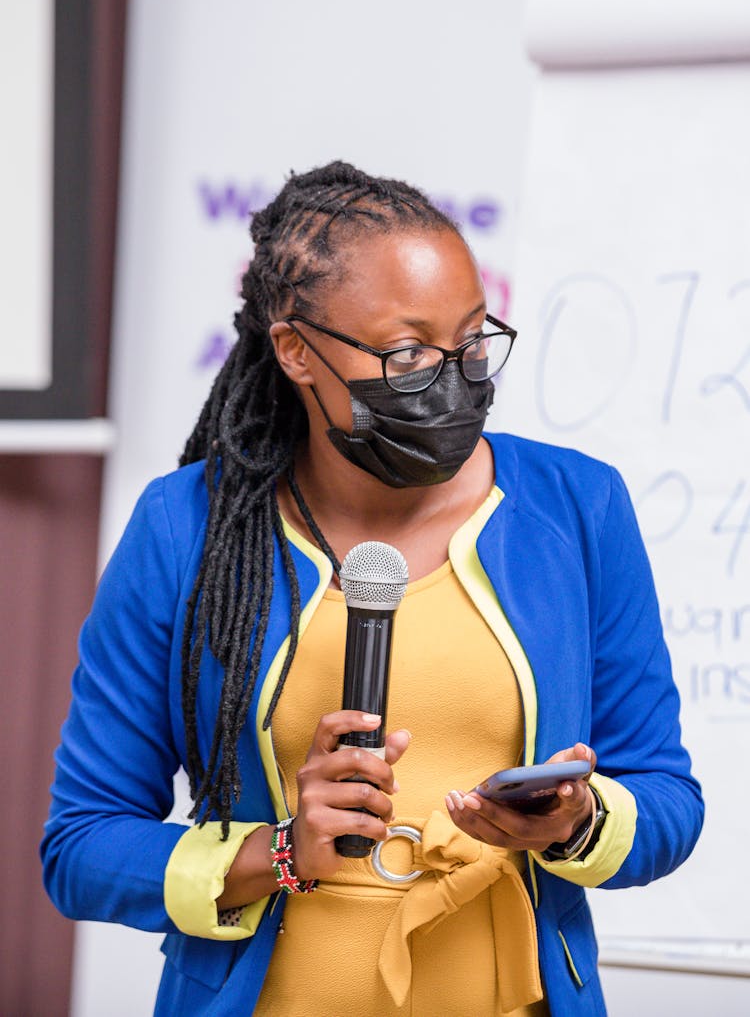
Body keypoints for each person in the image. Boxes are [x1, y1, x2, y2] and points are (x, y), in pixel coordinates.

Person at [42, 161, 703, 1016]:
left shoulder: (579, 507)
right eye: (407, 352)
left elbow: (668, 799)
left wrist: (576, 821)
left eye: (471, 341)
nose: (455, 376)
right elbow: (82, 845)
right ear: (296, 350)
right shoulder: (187, 527)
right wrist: (277, 853)